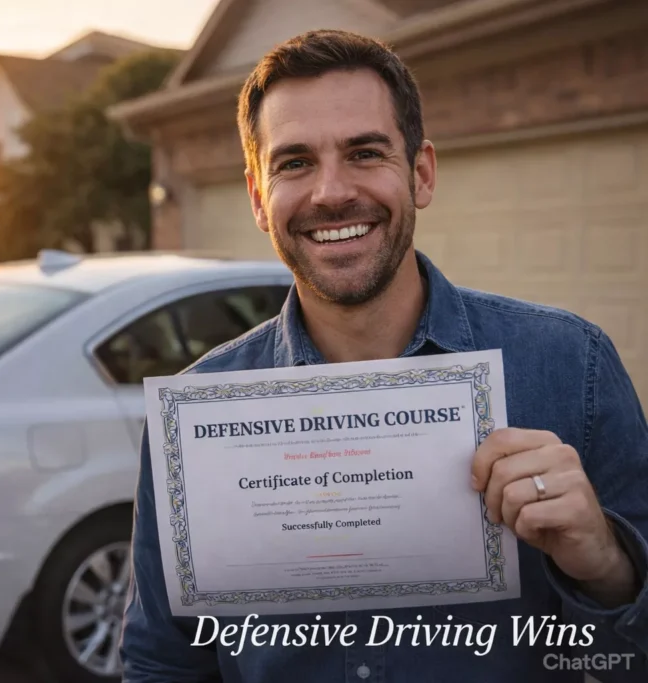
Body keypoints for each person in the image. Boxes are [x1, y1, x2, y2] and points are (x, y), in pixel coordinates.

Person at [119, 29, 648, 682]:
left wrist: (605, 563)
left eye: (364, 152)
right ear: (259, 198)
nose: (331, 191)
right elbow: (162, 663)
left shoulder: (575, 369)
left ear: (421, 173)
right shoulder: (192, 422)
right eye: (294, 163)